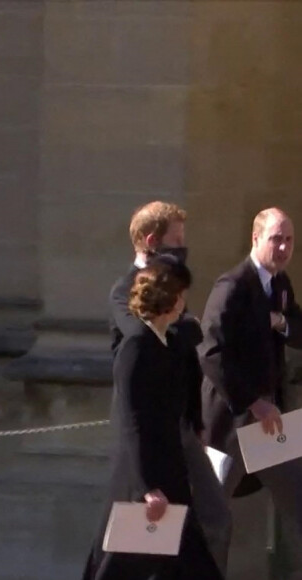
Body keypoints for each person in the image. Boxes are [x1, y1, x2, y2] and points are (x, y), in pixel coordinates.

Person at [108, 201, 231, 572]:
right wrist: (184, 326)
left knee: (212, 517)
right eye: (176, 242)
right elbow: (147, 338)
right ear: (151, 241)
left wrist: (195, 415)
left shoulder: (173, 286)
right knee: (133, 542)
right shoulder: (123, 291)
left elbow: (183, 351)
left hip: (180, 426)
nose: (183, 251)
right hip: (147, 433)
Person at [83, 260, 223, 580]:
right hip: (147, 479)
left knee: (186, 561)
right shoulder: (135, 347)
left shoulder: (166, 344)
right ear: (172, 299)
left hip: (170, 471)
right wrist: (148, 487)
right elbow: (133, 422)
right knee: (121, 566)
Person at [199, 207, 302, 579]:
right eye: (276, 238)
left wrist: (282, 322)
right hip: (230, 425)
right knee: (210, 517)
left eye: (289, 239)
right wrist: (252, 402)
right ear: (256, 239)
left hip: (270, 425)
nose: (284, 247)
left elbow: (299, 329)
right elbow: (209, 351)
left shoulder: (281, 283)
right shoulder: (232, 285)